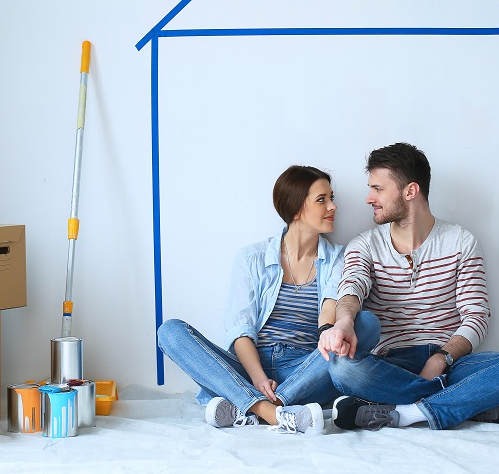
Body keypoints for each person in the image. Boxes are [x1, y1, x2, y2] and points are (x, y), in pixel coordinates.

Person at [318, 143, 499, 430]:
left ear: (410, 191)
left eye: (378, 189)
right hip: (390, 365)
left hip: (451, 363)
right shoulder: (364, 245)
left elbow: (476, 316)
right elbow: (351, 289)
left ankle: (406, 413)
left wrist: (442, 357)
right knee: (343, 370)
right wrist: (343, 322)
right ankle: (464, 404)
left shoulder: (461, 241)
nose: (369, 198)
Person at [157, 165, 380, 435]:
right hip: (250, 368)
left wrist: (327, 331)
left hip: (307, 367)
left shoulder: (338, 257)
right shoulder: (251, 258)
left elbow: (331, 305)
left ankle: (251, 405)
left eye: (331, 198)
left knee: (366, 323)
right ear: (296, 209)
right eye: (322, 200)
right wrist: (258, 378)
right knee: (170, 331)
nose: (333, 206)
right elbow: (240, 330)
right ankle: (273, 412)